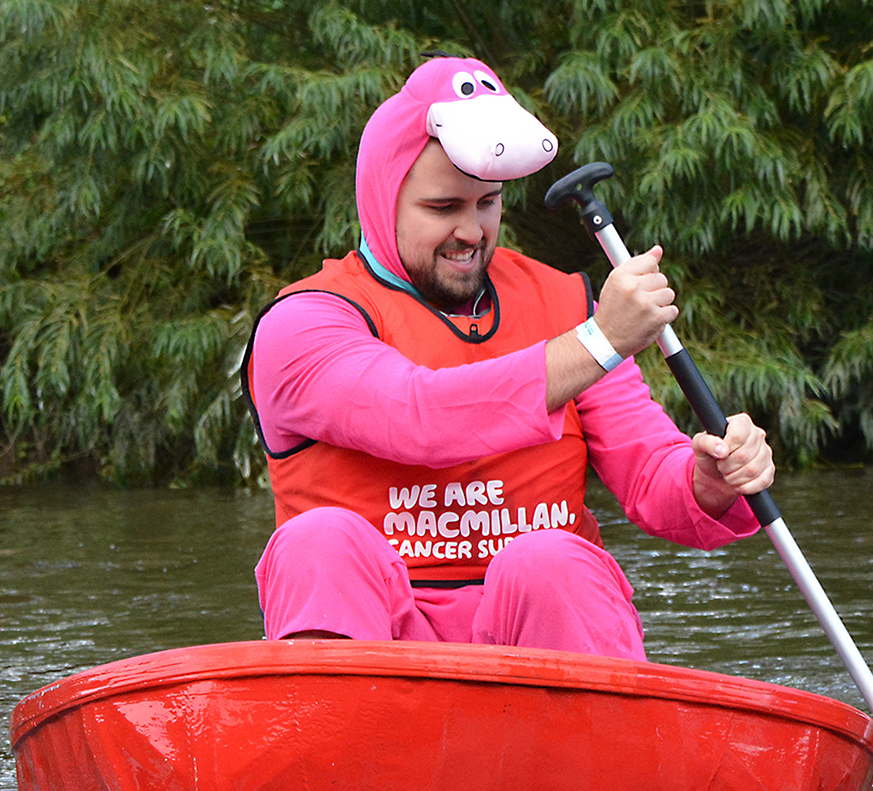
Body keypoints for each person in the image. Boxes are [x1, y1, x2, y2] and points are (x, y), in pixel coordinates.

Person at [240, 56, 775, 660]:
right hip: (381, 659)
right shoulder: (303, 325)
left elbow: (653, 477)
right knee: (319, 540)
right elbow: (422, 416)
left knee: (550, 557)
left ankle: (595, 738)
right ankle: (334, 738)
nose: (472, 231)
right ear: (381, 200)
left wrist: (708, 480)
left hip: (533, 653)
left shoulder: (563, 304)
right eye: (443, 209)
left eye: (487, 204)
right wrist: (600, 342)